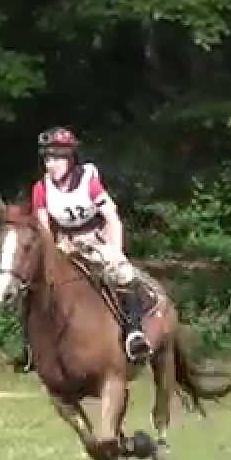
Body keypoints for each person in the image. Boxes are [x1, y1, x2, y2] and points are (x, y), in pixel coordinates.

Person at [22, 126, 152, 367]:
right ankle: (31, 346)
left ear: (71, 159)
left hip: (95, 238)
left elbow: (111, 217)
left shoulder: (88, 182)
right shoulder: (40, 188)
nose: (52, 164)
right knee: (33, 284)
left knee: (123, 274)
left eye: (58, 158)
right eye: (48, 158)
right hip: (63, 243)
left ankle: (134, 332)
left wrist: (115, 250)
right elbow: (43, 228)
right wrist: (54, 253)